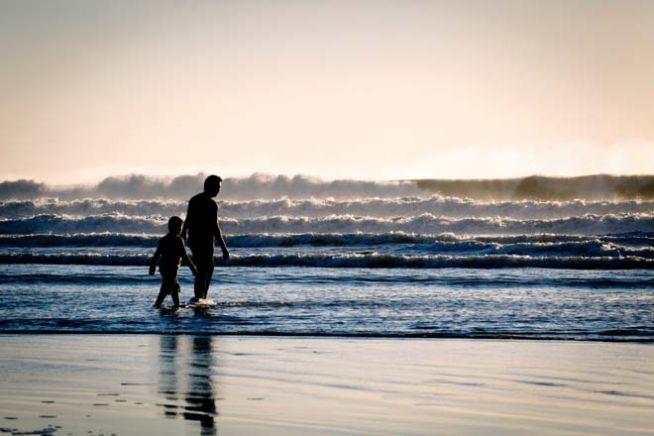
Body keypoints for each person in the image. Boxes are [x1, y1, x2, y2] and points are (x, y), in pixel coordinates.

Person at [181, 175, 230, 301]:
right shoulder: (210, 204)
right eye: (218, 187)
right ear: (210, 186)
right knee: (205, 268)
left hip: (194, 239)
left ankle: (201, 297)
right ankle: (200, 297)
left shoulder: (194, 199)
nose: (219, 190)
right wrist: (224, 248)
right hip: (204, 239)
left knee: (204, 268)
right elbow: (215, 227)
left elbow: (188, 218)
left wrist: (184, 232)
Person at [150, 216, 197, 308]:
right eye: (179, 227)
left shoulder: (164, 239)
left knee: (173, 286)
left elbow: (157, 255)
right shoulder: (178, 240)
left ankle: (177, 304)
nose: (180, 229)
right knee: (167, 286)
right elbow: (184, 256)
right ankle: (157, 304)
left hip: (164, 267)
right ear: (172, 227)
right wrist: (193, 268)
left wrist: (152, 266)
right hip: (171, 267)